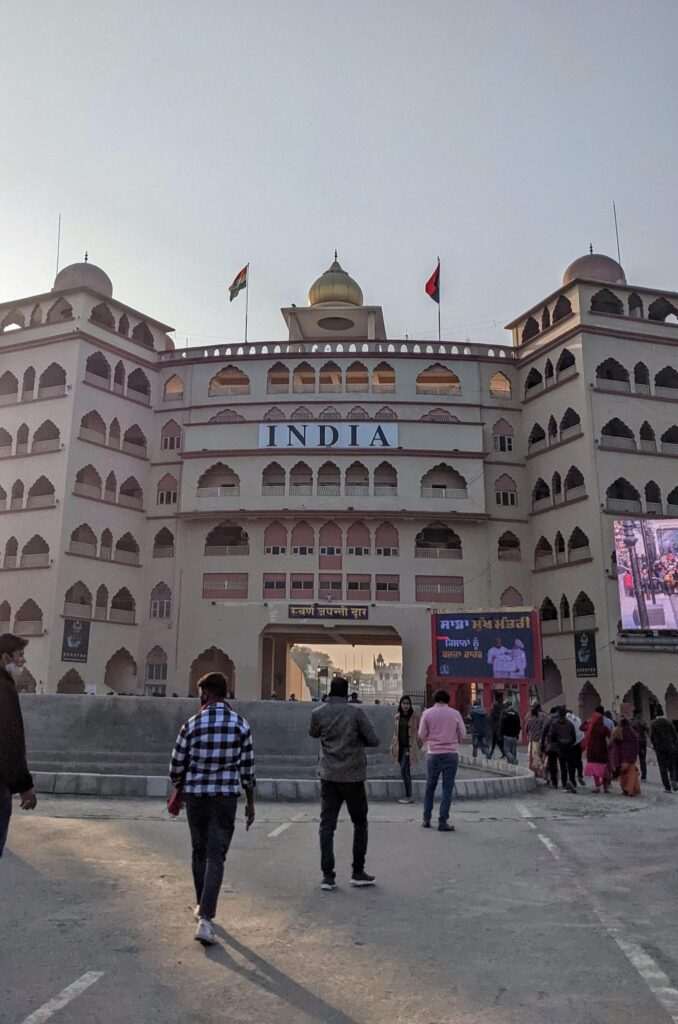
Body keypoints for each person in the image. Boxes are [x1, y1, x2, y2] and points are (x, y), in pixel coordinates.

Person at [169, 672, 255, 945]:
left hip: (197, 797)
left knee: (199, 851)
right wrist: (250, 803)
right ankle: (206, 918)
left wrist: (183, 785)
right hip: (225, 797)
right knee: (216, 856)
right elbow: (248, 771)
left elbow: (176, 767)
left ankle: (201, 907)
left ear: (205, 693)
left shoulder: (192, 724)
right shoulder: (240, 725)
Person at [309, 676, 380, 891]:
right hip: (353, 776)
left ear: (330, 692)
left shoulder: (318, 713)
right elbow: (374, 739)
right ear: (347, 693)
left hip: (329, 775)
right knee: (360, 823)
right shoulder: (356, 713)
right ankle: (358, 871)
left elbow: (313, 733)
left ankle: (327, 876)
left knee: (327, 825)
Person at [0, 634, 37, 857]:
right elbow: (9, 741)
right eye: (20, 655)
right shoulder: (4, 689)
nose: (22, 661)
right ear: (6, 657)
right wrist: (24, 786)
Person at [418, 689, 466, 832]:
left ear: (434, 699)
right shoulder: (455, 714)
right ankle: (442, 821)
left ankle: (426, 819)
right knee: (447, 789)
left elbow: (421, 734)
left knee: (430, 787)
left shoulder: (427, 714)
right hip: (451, 754)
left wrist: (431, 740)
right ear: (448, 700)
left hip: (433, 753)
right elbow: (463, 733)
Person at [390, 695, 421, 803]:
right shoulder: (397, 716)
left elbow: (420, 730)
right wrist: (392, 745)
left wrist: (419, 744)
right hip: (399, 747)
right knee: (404, 770)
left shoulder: (415, 717)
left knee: (404, 769)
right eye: (404, 703)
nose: (406, 706)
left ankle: (409, 796)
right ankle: (408, 795)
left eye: (408, 703)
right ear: (400, 704)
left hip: (409, 747)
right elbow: (395, 733)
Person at [544, 706, 577, 792]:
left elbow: (551, 735)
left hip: (556, 747)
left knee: (555, 765)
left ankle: (555, 783)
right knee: (567, 766)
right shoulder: (570, 724)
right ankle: (566, 782)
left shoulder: (554, 723)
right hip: (567, 747)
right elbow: (574, 737)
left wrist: (553, 744)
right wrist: (569, 744)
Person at [610, 708, 640, 797]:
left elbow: (615, 746)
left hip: (622, 758)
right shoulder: (632, 734)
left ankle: (625, 789)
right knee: (631, 774)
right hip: (631, 758)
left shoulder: (618, 732)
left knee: (622, 775)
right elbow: (636, 745)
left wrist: (615, 760)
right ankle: (631, 790)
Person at [583, 705, 611, 793]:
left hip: (592, 750)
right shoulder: (604, 727)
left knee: (595, 769)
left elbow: (581, 728)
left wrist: (586, 722)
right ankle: (606, 788)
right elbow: (610, 736)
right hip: (602, 749)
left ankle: (597, 786)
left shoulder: (591, 726)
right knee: (604, 769)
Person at [649, 707, 678, 793]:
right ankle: (673, 780)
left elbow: (652, 737)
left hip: (660, 749)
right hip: (670, 747)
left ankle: (667, 787)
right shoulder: (668, 723)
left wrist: (655, 746)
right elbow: (674, 735)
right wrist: (673, 745)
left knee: (663, 768)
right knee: (671, 766)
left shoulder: (653, 724)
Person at [524, 703, 548, 780]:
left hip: (532, 741)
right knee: (538, 756)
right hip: (540, 740)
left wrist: (529, 735)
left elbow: (526, 729)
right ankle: (539, 770)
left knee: (534, 756)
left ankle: (541, 769)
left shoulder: (530, 720)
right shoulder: (541, 719)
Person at [566, 709, 586, 786]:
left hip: (569, 744)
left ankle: (572, 780)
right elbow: (581, 732)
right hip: (578, 742)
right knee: (578, 760)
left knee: (570, 763)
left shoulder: (565, 720)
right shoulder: (578, 719)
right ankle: (580, 775)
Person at [631, 711, 649, 781]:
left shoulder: (632, 723)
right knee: (642, 760)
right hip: (642, 743)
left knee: (632, 759)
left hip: (634, 743)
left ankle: (633, 773)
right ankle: (644, 776)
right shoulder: (643, 722)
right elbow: (648, 731)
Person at [488, 692, 506, 757]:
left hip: (495, 726)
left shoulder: (495, 705)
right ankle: (502, 753)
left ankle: (491, 753)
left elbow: (491, 716)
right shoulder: (503, 706)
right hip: (501, 725)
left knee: (495, 740)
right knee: (499, 741)